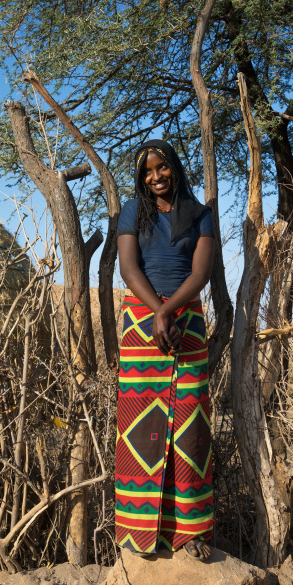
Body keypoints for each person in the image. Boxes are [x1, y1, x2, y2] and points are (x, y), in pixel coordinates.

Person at [115, 139, 215, 560]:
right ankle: (139, 534)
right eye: (147, 172)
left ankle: (189, 533)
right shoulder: (133, 211)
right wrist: (157, 313)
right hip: (141, 323)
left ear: (174, 167)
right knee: (141, 426)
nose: (155, 177)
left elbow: (202, 271)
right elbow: (128, 268)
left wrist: (170, 312)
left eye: (162, 168)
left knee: (190, 426)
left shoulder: (200, 215)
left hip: (186, 320)